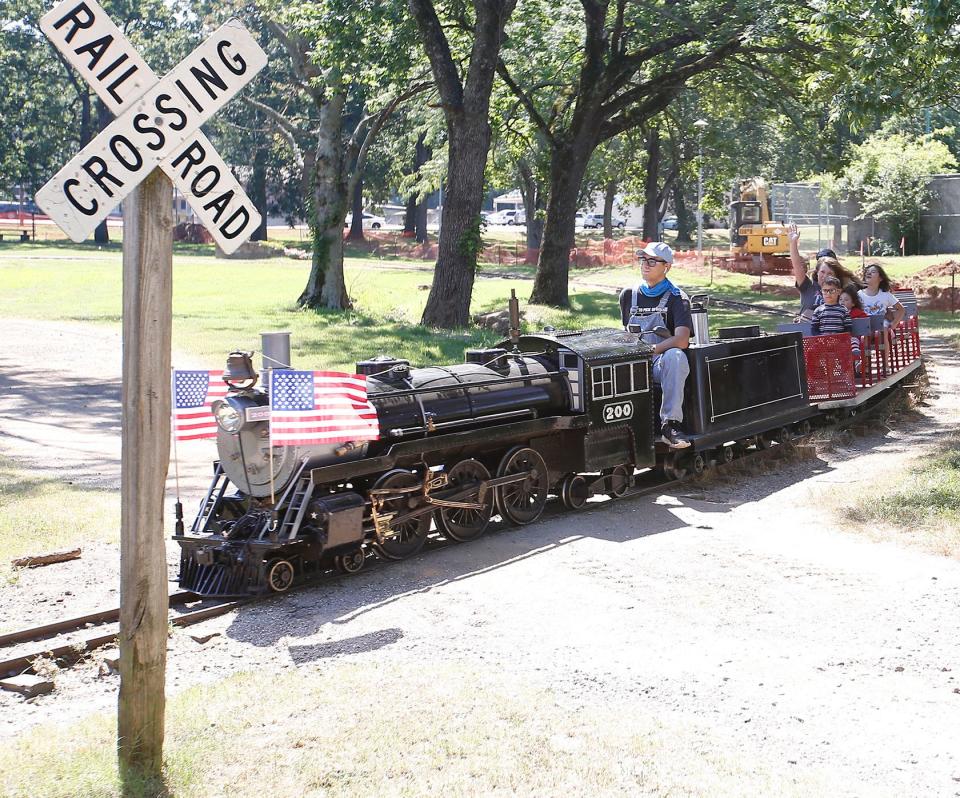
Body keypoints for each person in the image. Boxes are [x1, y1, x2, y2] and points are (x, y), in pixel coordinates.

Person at [619, 241, 691, 448]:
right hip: (633, 361)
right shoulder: (628, 295)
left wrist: (651, 350)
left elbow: (682, 339)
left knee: (676, 356)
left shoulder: (677, 298)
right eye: (643, 259)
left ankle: (671, 425)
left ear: (666, 266)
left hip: (659, 363)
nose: (645, 264)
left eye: (652, 261)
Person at [788, 224, 861, 320]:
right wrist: (793, 243)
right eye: (822, 272)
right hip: (807, 330)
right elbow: (797, 266)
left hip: (831, 330)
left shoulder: (842, 290)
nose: (825, 276)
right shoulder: (808, 287)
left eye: (830, 273)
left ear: (835, 276)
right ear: (817, 272)